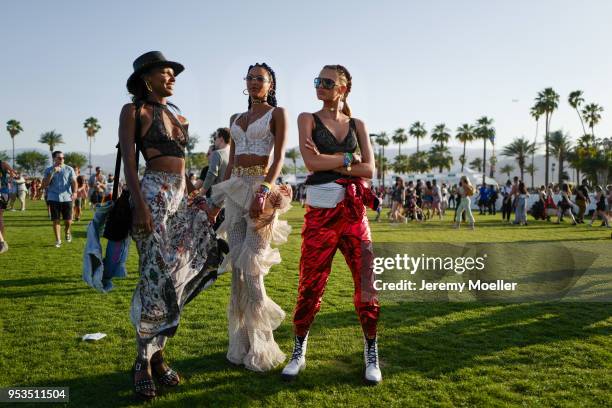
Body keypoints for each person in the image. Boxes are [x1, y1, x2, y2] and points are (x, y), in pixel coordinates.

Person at [121, 51, 223, 400]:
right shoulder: (134, 111)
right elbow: (130, 165)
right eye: (165, 73)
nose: (172, 77)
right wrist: (139, 205)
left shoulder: (179, 116)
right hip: (152, 196)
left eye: (172, 73)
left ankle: (159, 355)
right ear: (147, 78)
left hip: (179, 200)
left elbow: (182, 163)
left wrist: (195, 190)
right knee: (154, 279)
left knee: (176, 280)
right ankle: (142, 362)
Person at [281, 64, 381, 384]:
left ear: (343, 89)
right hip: (320, 212)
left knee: (367, 283)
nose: (319, 86)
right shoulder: (306, 119)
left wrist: (335, 162)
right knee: (310, 285)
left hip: (353, 213)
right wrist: (348, 160)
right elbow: (311, 163)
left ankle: (371, 350)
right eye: (317, 81)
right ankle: (299, 349)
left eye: (327, 82)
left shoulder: (357, 124)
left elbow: (371, 170)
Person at [208, 62, 291, 372]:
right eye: (251, 78)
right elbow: (230, 164)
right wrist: (217, 200)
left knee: (253, 268)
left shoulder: (277, 113)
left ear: (270, 84)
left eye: (261, 78)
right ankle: (241, 344)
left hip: (261, 190)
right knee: (239, 276)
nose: (255, 82)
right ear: (245, 83)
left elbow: (279, 155)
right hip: (234, 190)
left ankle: (263, 346)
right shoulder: (236, 119)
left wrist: (265, 190)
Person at [42, 151, 77, 247]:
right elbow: (44, 185)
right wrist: (52, 173)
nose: (62, 160)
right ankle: (58, 240)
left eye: (63, 158)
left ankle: (67, 231)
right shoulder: (48, 170)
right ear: (54, 159)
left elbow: (74, 182)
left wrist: (74, 192)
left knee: (68, 221)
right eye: (60, 158)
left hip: (67, 197)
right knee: (56, 220)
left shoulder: (69, 169)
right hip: (53, 197)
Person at [196, 128, 230, 196]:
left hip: (216, 197)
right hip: (228, 197)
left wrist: (201, 194)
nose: (214, 140)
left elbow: (211, 175)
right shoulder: (232, 153)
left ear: (221, 139)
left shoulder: (218, 153)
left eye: (215, 138)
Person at [0, 160, 18, 253]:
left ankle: (2, 242)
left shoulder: (2, 163)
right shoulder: (3, 163)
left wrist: (10, 180)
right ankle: (2, 242)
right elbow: (13, 173)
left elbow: (13, 173)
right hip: (4, 191)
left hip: (2, 192)